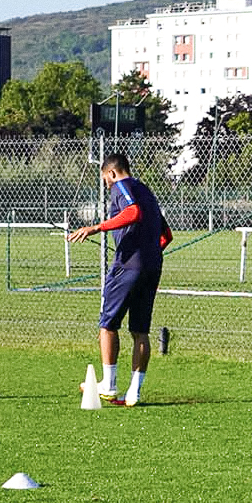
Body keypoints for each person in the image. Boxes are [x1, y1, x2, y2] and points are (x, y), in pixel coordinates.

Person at [67, 154, 171, 406]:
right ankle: (133, 392)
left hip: (128, 267)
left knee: (108, 324)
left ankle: (109, 385)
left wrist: (95, 228)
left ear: (111, 173)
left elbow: (132, 212)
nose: (107, 186)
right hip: (152, 266)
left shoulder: (121, 186)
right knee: (140, 331)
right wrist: (148, 253)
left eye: (105, 180)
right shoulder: (147, 191)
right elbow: (166, 235)